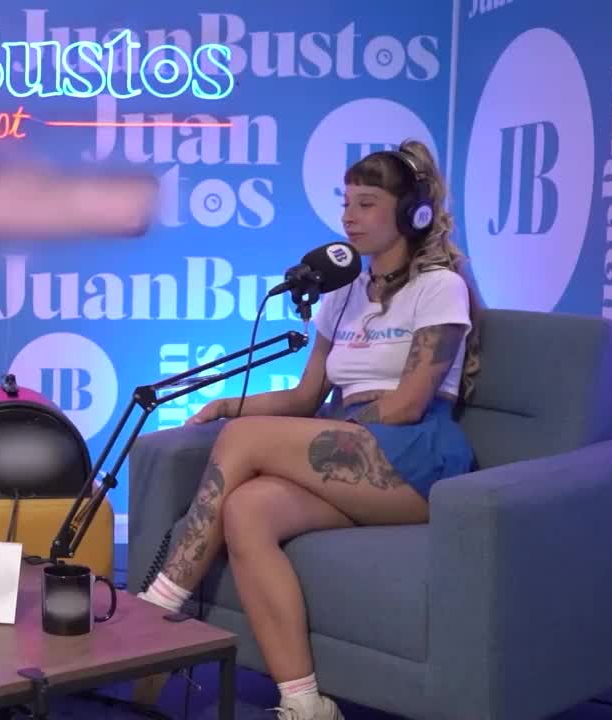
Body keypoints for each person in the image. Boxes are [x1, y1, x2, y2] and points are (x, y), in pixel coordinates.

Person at [134, 141, 481, 720]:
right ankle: (304, 703)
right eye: (346, 203)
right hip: (353, 451)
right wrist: (227, 405)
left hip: (418, 458)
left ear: (411, 213)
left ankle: (155, 612)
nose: (349, 217)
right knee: (247, 510)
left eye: (366, 204)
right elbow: (304, 397)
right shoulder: (343, 294)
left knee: (246, 442)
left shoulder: (439, 286)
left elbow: (406, 406)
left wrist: (309, 436)